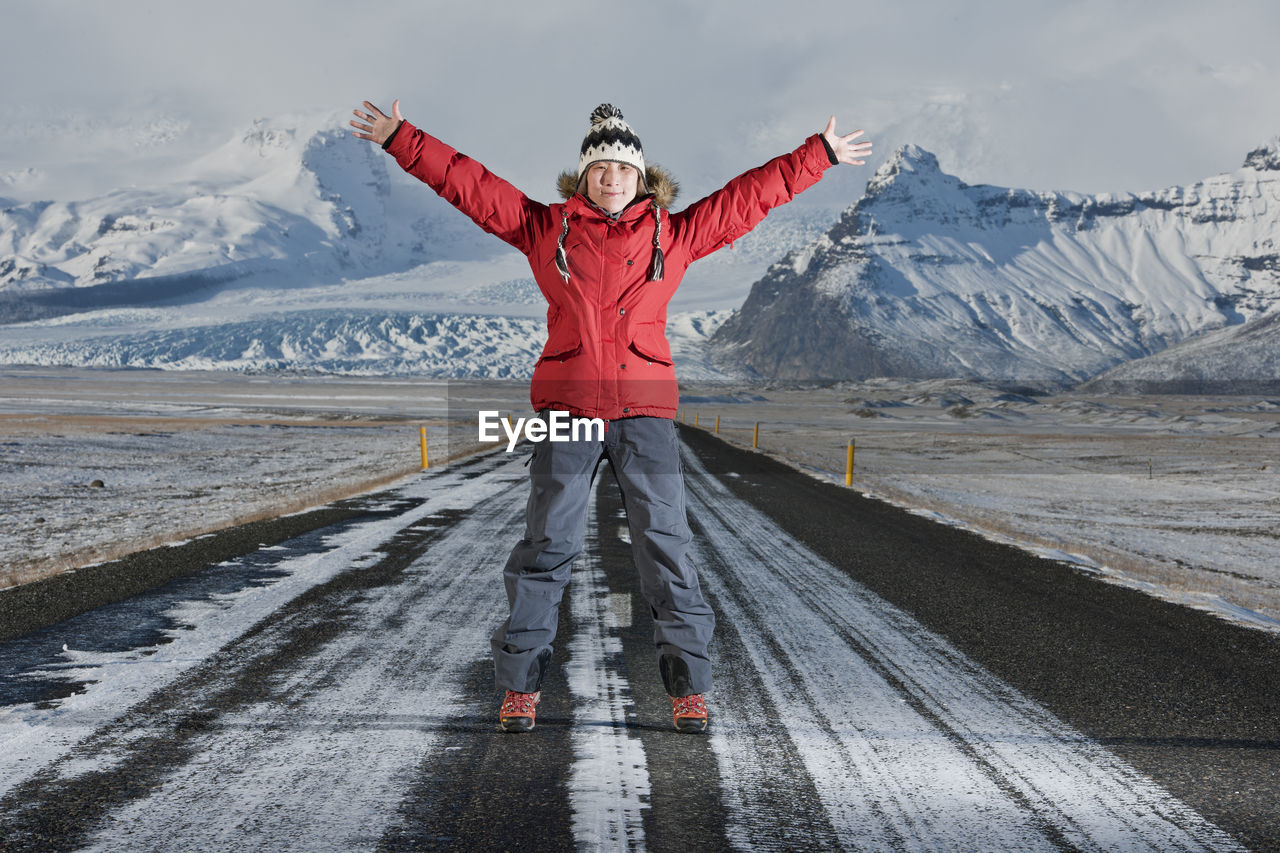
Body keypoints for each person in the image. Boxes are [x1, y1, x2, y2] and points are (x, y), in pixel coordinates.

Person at [351, 100, 870, 733]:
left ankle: (688, 690)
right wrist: (403, 138)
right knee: (545, 549)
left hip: (644, 414)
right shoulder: (546, 230)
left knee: (666, 550)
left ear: (642, 176)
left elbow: (744, 200)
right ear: (584, 176)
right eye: (601, 169)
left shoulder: (672, 236)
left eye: (624, 169)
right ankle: (520, 690)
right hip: (567, 412)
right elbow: (473, 187)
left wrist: (816, 155)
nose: (613, 179)